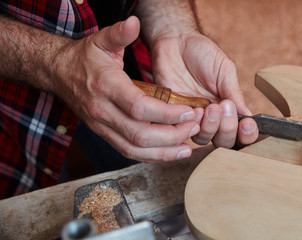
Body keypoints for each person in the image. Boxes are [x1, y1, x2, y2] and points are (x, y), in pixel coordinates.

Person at [0, 0, 258, 199]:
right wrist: (57, 63)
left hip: (131, 77)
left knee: (143, 179)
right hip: (17, 111)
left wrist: (174, 29)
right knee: (43, 210)